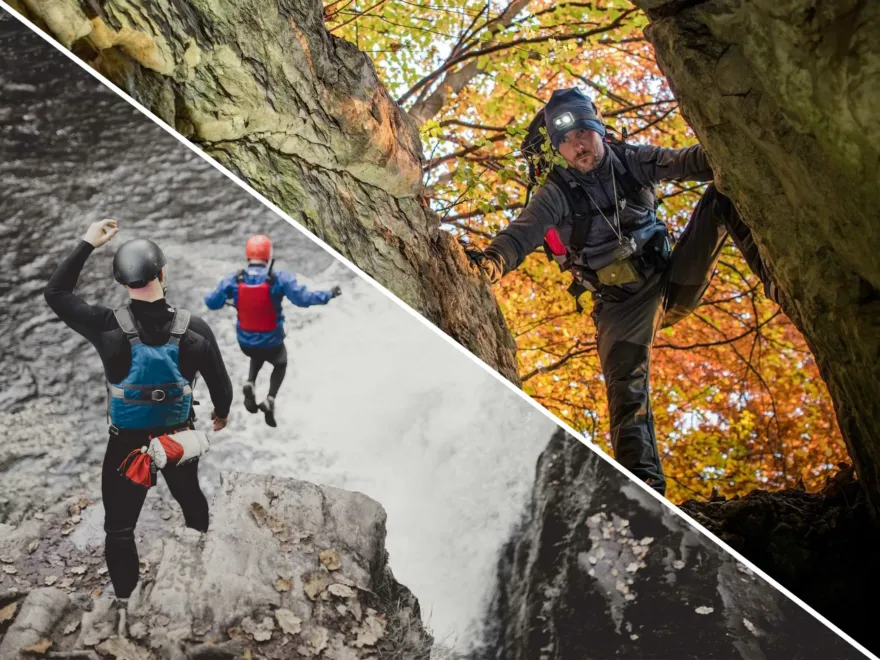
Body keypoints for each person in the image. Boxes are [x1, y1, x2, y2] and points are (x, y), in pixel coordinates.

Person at [466, 88, 782, 496]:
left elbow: (685, 162)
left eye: (583, 133)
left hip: (670, 281)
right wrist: (489, 265)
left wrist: (733, 146)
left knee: (721, 195)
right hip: (621, 307)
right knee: (627, 394)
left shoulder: (631, 161)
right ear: (558, 149)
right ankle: (646, 493)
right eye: (566, 140)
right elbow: (520, 234)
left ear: (598, 128)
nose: (577, 145)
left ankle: (776, 282)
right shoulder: (556, 192)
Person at [43, 219, 233, 602]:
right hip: (179, 438)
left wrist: (88, 243)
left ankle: (126, 601)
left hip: (126, 446)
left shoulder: (105, 326)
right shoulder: (195, 330)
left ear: (122, 283)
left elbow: (56, 293)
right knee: (191, 500)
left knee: (119, 529)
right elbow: (221, 386)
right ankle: (194, 572)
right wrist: (221, 414)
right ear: (162, 273)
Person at [204, 234, 341, 427]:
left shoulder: (234, 280)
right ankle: (270, 398)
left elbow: (212, 302)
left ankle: (250, 381)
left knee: (257, 348)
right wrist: (329, 294)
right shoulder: (278, 278)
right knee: (280, 362)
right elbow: (303, 299)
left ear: (248, 256)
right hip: (272, 343)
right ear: (268, 256)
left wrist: (225, 296)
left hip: (246, 344)